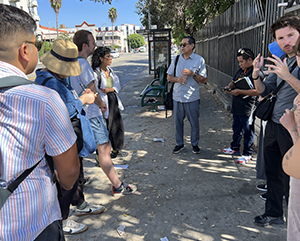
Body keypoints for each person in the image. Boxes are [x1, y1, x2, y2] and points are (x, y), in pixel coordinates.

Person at [0, 4, 80, 240]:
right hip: (31, 225)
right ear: (25, 50)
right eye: (38, 44)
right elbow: (69, 171)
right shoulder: (42, 99)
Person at [35, 39, 105, 234]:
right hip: (61, 142)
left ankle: (78, 204)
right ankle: (63, 220)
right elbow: (60, 111)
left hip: (69, 138)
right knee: (65, 181)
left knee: (75, 177)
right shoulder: (49, 83)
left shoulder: (54, 79)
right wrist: (83, 100)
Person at [70, 30, 137, 196]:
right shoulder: (84, 64)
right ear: (85, 45)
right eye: (93, 43)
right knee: (104, 148)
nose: (95, 46)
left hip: (78, 113)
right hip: (91, 113)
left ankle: (76, 186)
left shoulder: (70, 63)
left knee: (79, 151)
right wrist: (101, 105)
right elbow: (92, 90)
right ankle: (117, 184)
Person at [252, 15, 300, 227]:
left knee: (293, 177)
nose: (285, 42)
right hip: (272, 124)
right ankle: (273, 212)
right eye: (280, 38)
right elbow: (265, 91)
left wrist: (288, 76)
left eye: (290, 35)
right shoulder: (285, 60)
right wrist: (255, 75)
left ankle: (294, 222)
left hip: (292, 128)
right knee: (273, 172)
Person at [167, 36, 207, 154]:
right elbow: (169, 77)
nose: (182, 47)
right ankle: (179, 144)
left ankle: (195, 144)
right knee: (178, 122)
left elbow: (204, 80)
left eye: (184, 44)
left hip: (192, 97)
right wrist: (178, 79)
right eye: (181, 45)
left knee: (194, 122)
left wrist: (192, 74)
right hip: (177, 97)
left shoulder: (199, 60)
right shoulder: (176, 59)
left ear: (192, 46)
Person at [222, 48, 259, 164]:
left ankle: (247, 153)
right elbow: (233, 81)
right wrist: (230, 87)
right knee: (236, 128)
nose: (240, 64)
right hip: (237, 105)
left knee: (248, 130)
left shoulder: (255, 72)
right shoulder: (240, 71)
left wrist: (240, 91)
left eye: (242, 62)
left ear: (250, 60)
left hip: (248, 107)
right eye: (239, 62)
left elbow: (257, 91)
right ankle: (235, 148)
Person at [91, 46, 126, 159]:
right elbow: (95, 91)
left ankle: (116, 149)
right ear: (101, 58)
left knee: (116, 125)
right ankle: (100, 157)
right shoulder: (96, 73)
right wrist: (100, 104)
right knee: (102, 130)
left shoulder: (110, 71)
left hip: (113, 101)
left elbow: (117, 85)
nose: (111, 58)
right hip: (102, 103)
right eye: (108, 56)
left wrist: (110, 89)